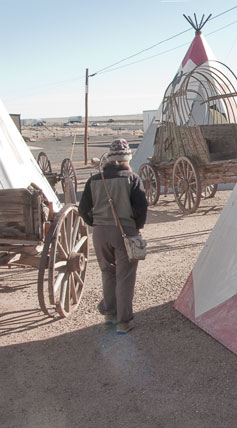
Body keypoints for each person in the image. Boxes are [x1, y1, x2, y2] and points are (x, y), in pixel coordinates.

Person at [79, 139, 148, 334]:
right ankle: (123, 322)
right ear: (127, 159)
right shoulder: (132, 178)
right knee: (125, 276)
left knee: (107, 273)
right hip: (125, 231)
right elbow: (141, 208)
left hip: (100, 233)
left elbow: (83, 209)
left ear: (109, 158)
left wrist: (96, 223)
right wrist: (136, 227)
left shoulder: (94, 180)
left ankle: (109, 315)